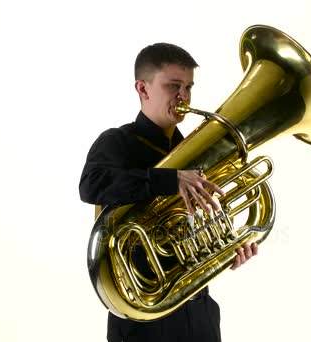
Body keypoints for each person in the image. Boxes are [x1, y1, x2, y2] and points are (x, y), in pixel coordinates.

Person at [79, 42, 258, 342]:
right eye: (173, 86)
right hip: (144, 319)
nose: (184, 96)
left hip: (199, 313)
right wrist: (168, 180)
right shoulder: (117, 142)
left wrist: (226, 250)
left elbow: (196, 227)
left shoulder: (194, 150)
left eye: (188, 87)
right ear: (143, 89)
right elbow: (91, 184)